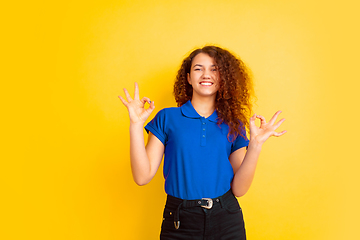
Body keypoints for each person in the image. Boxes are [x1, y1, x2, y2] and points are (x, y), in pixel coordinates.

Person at [119, 45, 286, 240]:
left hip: (226, 219)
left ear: (223, 77)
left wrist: (256, 145)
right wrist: (135, 125)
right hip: (180, 220)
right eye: (198, 68)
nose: (206, 74)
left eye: (214, 69)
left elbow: (239, 190)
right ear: (188, 77)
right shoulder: (167, 118)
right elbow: (142, 176)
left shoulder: (234, 123)